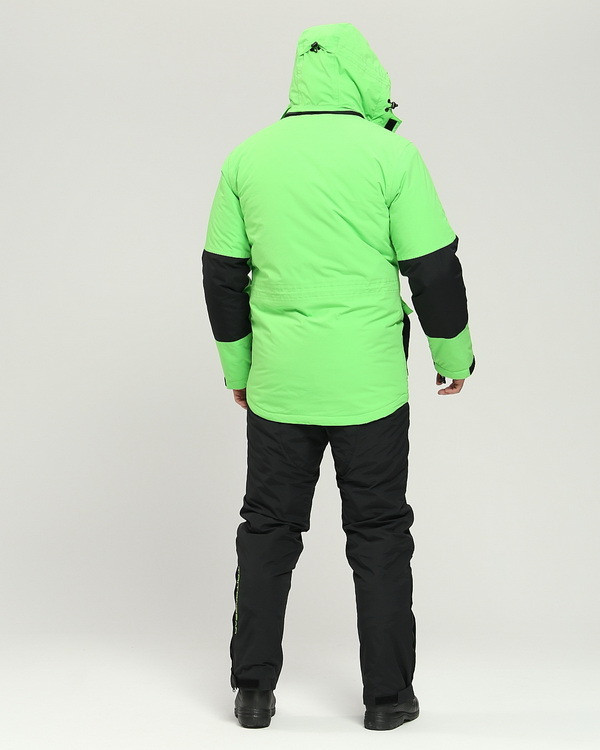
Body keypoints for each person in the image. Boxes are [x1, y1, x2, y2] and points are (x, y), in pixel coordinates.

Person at [202, 22, 475, 731]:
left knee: (268, 530)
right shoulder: (392, 155)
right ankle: (387, 699)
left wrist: (239, 370)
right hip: (369, 387)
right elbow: (433, 267)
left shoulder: (247, 158)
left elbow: (222, 275)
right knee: (379, 533)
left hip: (280, 385)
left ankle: (252, 693)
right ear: (364, 76)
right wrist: (453, 357)